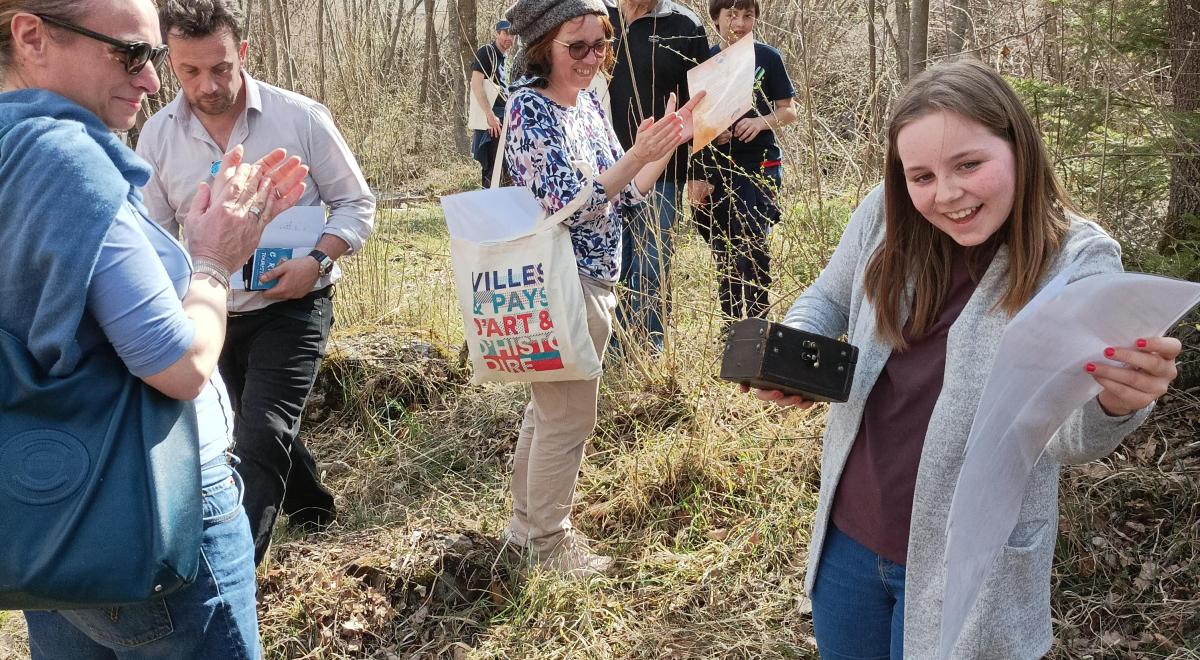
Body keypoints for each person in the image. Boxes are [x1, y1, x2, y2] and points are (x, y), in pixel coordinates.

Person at [746, 59, 1182, 658]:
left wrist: (1116, 401)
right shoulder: (886, 213)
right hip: (849, 542)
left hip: (969, 566)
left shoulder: (1075, 262)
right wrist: (797, 345)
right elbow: (828, 297)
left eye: (969, 165)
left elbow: (1071, 435)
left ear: (1018, 147)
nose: (945, 194)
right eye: (920, 175)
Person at [0, 0, 307, 656]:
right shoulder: (66, 158)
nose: (150, 81)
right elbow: (181, 365)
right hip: (149, 510)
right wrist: (215, 263)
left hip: (46, 516)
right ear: (32, 36)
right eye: (131, 54)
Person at [138, 0, 376, 566]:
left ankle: (237, 574)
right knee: (254, 423)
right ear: (171, 63)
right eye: (190, 71)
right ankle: (313, 506)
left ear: (242, 52)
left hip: (295, 305)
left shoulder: (301, 117)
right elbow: (153, 237)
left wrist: (315, 262)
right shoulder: (156, 136)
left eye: (220, 67)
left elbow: (357, 205)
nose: (208, 84)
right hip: (210, 316)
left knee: (256, 436)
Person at [500, 0, 704, 575]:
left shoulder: (588, 102)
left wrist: (661, 148)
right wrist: (635, 155)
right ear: (544, 48)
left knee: (549, 413)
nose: (593, 58)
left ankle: (525, 530)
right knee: (567, 417)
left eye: (601, 45)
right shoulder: (529, 109)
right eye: (577, 46)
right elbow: (566, 205)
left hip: (597, 277)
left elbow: (625, 192)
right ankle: (545, 543)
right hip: (557, 279)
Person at [605, 0, 710, 352]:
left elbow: (703, 103)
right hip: (603, 169)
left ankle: (649, 348)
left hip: (665, 168)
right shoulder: (595, 16)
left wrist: (699, 170)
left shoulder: (684, 23)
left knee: (652, 260)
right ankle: (612, 347)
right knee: (608, 260)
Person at [691, 0, 796, 322]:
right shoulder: (705, 61)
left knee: (752, 244)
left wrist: (760, 122)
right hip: (716, 168)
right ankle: (731, 325)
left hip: (759, 165)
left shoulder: (767, 57)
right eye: (731, 15)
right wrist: (711, 136)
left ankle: (757, 325)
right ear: (717, 19)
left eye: (747, 16)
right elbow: (695, 120)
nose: (738, 23)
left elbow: (789, 110)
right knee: (723, 249)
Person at [469, 19, 514, 187]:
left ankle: (502, 209)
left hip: (503, 119)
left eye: (512, 35)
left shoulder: (504, 59)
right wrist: (490, 115)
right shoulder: (487, 51)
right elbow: (475, 83)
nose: (509, 38)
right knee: (493, 170)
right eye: (505, 33)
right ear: (497, 34)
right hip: (493, 121)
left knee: (505, 168)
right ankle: (490, 209)